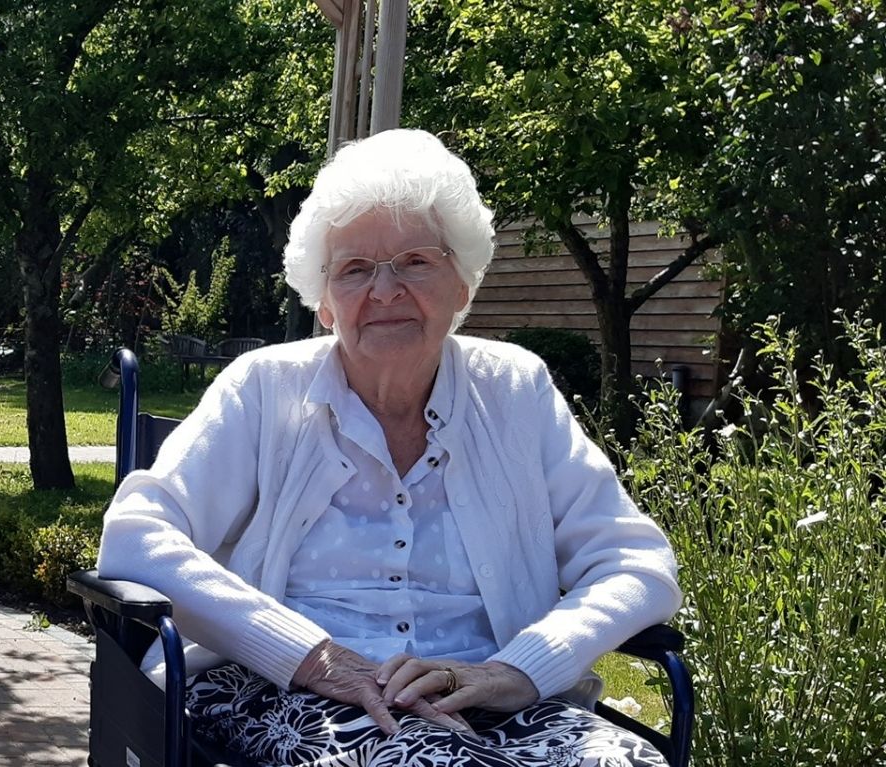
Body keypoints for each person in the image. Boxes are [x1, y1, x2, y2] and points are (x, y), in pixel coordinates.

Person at [95, 129, 679, 766]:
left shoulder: (514, 389)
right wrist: (306, 654)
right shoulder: (264, 389)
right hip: (280, 687)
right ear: (323, 303)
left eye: (416, 262)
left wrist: (523, 668)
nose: (385, 290)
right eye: (354, 270)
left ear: (463, 284)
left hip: (482, 697)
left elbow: (634, 561)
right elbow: (136, 536)